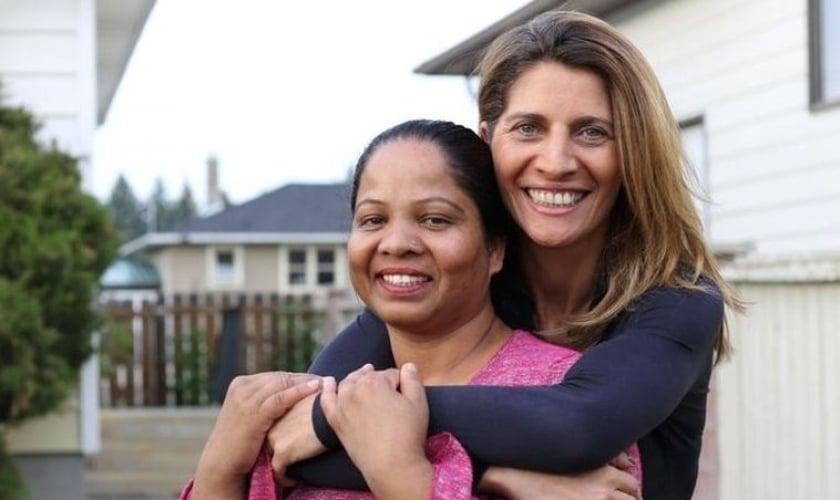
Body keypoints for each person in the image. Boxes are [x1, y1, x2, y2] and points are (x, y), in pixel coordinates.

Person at [274, 9, 744, 500]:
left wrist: (351, 417)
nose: (556, 162)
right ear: (487, 141)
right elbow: (292, 445)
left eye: (592, 132)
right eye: (528, 128)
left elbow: (575, 428)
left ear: (634, 153)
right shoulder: (464, 281)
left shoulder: (677, 300)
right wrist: (504, 479)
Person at [181, 119, 642, 500]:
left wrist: (404, 475)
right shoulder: (311, 408)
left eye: (435, 220)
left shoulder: (563, 396)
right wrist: (219, 468)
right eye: (373, 220)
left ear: (496, 249)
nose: (397, 243)